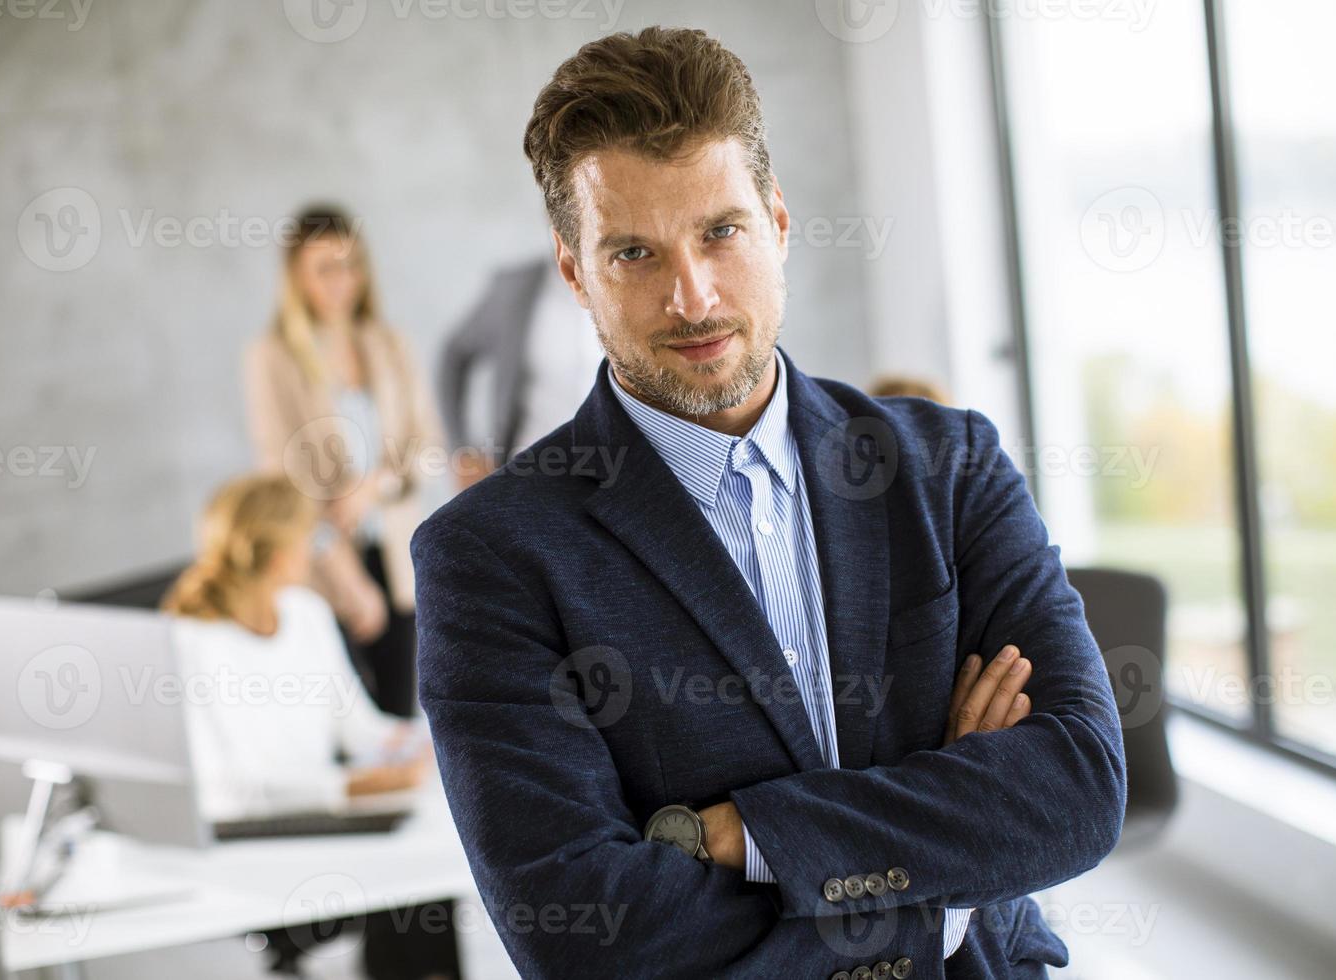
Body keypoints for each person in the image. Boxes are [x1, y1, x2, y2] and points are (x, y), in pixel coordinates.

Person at [411, 28, 1126, 980]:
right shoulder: (489, 555)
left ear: (779, 224)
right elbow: (581, 932)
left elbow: (1075, 788)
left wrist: (740, 833)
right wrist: (944, 878)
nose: (692, 296)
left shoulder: (951, 467)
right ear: (576, 272)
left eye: (721, 231)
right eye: (633, 253)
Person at [163, 474, 461, 980]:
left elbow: (360, 730)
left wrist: (432, 739)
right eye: (312, 538)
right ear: (280, 554)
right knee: (402, 888)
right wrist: (350, 786)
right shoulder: (190, 641)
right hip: (252, 845)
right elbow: (227, 794)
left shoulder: (305, 615)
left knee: (426, 882)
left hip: (329, 822)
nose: (318, 549)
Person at [244, 206, 443, 718]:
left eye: (350, 265)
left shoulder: (389, 344)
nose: (342, 282)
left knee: (403, 714)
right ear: (296, 277)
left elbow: (426, 448)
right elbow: (282, 481)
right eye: (324, 269)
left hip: (398, 558)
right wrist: (349, 582)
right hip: (323, 562)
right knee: (344, 724)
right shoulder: (273, 357)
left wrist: (375, 484)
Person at [438, 257, 605, 488]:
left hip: (604, 476)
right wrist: (462, 451)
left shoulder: (624, 287)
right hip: (524, 473)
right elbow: (455, 354)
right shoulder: (515, 290)